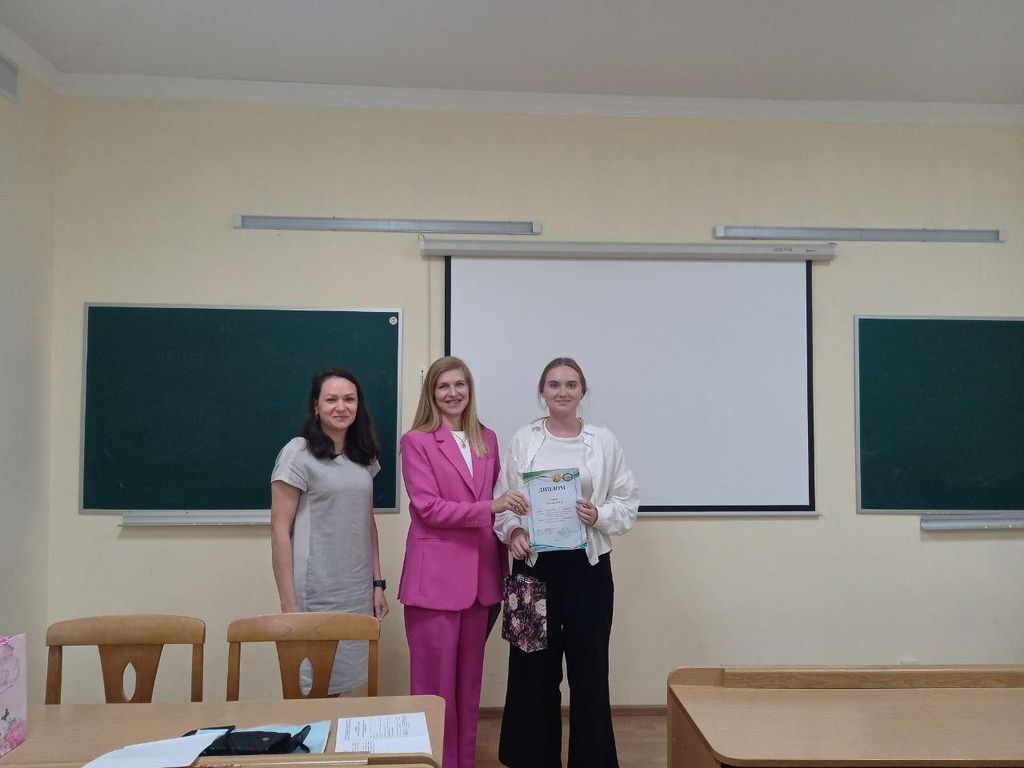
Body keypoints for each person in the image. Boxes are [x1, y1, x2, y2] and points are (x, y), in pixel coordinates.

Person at [493, 357, 639, 768]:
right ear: (542, 391)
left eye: (571, 385)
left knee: (589, 669)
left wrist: (599, 514)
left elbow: (627, 503)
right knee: (530, 668)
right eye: (554, 384)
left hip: (588, 568)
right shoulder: (523, 440)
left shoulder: (603, 441)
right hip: (532, 568)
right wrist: (514, 532)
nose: (562, 391)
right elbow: (503, 502)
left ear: (582, 392)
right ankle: (531, 759)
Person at [399, 356, 528, 768]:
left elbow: (503, 500)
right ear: (431, 393)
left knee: (469, 687)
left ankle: (462, 762)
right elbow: (428, 508)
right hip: (435, 583)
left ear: (470, 390)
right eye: (443, 386)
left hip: (482, 580)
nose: (452, 393)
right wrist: (491, 506)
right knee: (434, 688)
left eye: (460, 385)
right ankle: (435, 762)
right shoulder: (416, 441)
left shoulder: (487, 438)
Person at [270, 367, 388, 696]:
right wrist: (289, 604)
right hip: (315, 591)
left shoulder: (363, 455)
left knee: (338, 686)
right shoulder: (298, 453)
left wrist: (377, 584)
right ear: (316, 406)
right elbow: (279, 530)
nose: (341, 407)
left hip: (355, 591)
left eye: (349, 399)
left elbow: (367, 521)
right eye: (331, 399)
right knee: (308, 688)